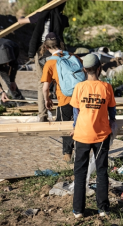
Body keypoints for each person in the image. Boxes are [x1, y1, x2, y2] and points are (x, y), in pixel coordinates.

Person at [70, 54, 116, 219]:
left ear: (84, 69)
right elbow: (112, 111)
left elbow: (76, 112)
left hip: (82, 135)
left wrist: (75, 127)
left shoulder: (79, 87)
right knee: (102, 171)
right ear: (99, 68)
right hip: (102, 136)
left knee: (80, 173)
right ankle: (103, 209)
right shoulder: (106, 87)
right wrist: (113, 123)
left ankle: (78, 210)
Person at [17, 0, 70, 121]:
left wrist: (22, 17)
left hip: (41, 52)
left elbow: (21, 21)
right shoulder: (63, 19)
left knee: (41, 84)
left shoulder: (40, 15)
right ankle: (63, 113)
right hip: (56, 52)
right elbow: (63, 23)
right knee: (60, 82)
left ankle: (42, 115)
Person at [40, 33, 81, 162]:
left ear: (46, 47)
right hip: (81, 96)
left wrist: (47, 100)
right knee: (81, 123)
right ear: (60, 43)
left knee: (65, 124)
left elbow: (45, 88)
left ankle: (67, 154)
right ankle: (81, 151)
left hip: (65, 98)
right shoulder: (74, 56)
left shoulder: (50, 62)